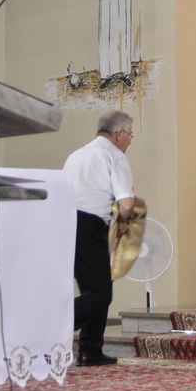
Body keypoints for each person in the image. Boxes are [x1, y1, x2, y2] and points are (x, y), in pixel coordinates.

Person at [63, 110, 136, 366]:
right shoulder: (114, 155)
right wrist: (124, 223)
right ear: (119, 133)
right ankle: (53, 326)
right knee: (101, 294)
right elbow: (127, 203)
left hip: (61, 224)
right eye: (130, 135)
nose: (129, 141)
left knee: (95, 287)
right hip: (88, 225)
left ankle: (90, 350)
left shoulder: (76, 155)